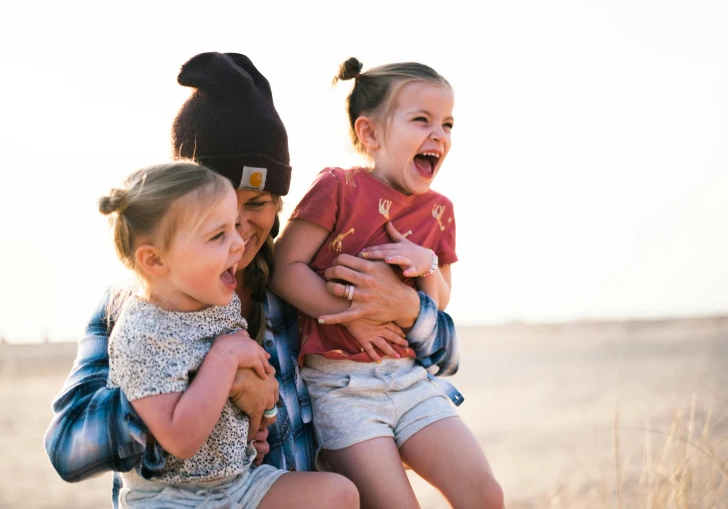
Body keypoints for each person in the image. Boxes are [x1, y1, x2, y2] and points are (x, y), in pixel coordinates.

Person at [44, 52, 461, 509]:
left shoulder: (297, 288)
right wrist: (211, 389)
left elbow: (446, 356)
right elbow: (69, 449)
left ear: (280, 206)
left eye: (258, 201)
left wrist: (405, 309)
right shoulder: (132, 304)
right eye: (218, 209)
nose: (240, 226)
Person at [270, 58, 504, 509]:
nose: (439, 135)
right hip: (342, 388)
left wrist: (427, 264)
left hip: (409, 380)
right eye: (422, 120)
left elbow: (438, 302)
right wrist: (349, 318)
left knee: (485, 494)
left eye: (448, 124)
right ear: (370, 134)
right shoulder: (337, 187)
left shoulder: (440, 210)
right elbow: (285, 268)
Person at [99, 162, 291, 507]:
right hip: (173, 497)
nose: (238, 243)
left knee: (339, 494)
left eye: (233, 227)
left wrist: (257, 426)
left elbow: (259, 383)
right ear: (155, 261)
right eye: (219, 235)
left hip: (236, 481)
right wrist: (226, 356)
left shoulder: (217, 302)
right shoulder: (141, 334)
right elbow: (181, 439)